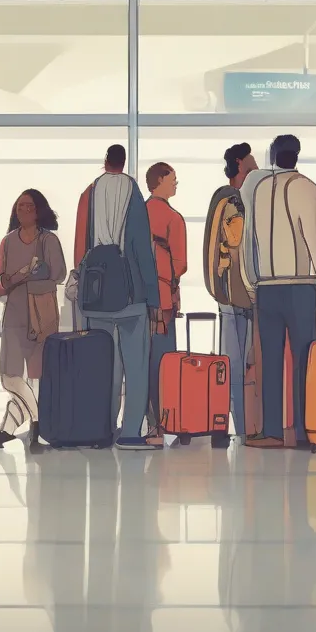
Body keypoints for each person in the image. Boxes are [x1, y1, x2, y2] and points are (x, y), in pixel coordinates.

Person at [244, 134, 316, 449]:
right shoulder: (305, 187)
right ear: (296, 155)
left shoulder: (258, 190)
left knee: (270, 360)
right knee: (303, 359)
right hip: (299, 286)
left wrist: (250, 281)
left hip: (266, 287)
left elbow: (248, 239)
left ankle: (271, 430)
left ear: (272, 155)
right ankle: (302, 429)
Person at [72, 144, 161, 450]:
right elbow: (140, 249)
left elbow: (80, 246)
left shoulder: (89, 192)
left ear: (104, 161)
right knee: (135, 367)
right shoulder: (132, 191)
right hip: (130, 292)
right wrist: (153, 298)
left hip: (96, 291)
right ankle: (131, 432)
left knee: (103, 367)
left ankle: (102, 429)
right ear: (123, 163)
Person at [0, 189, 66, 450]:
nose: (23, 211)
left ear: (39, 210)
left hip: (40, 317)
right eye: (19, 207)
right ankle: (37, 420)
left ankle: (7, 430)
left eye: (28, 207)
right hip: (13, 315)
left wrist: (31, 274)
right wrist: (20, 276)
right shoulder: (8, 242)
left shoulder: (49, 241)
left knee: (36, 378)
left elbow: (58, 273)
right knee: (10, 377)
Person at [205, 142, 258, 438]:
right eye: (250, 168)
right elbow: (239, 248)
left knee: (233, 361)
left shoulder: (220, 200)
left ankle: (234, 424)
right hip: (238, 292)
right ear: (238, 166)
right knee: (238, 363)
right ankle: (241, 426)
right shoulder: (235, 203)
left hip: (226, 291)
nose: (253, 173)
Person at [145, 162, 187, 432]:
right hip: (163, 301)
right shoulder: (173, 218)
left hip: (137, 299)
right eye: (172, 179)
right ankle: (162, 422)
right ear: (159, 181)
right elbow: (180, 264)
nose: (175, 184)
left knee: (141, 362)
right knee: (163, 362)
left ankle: (143, 420)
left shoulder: (137, 213)